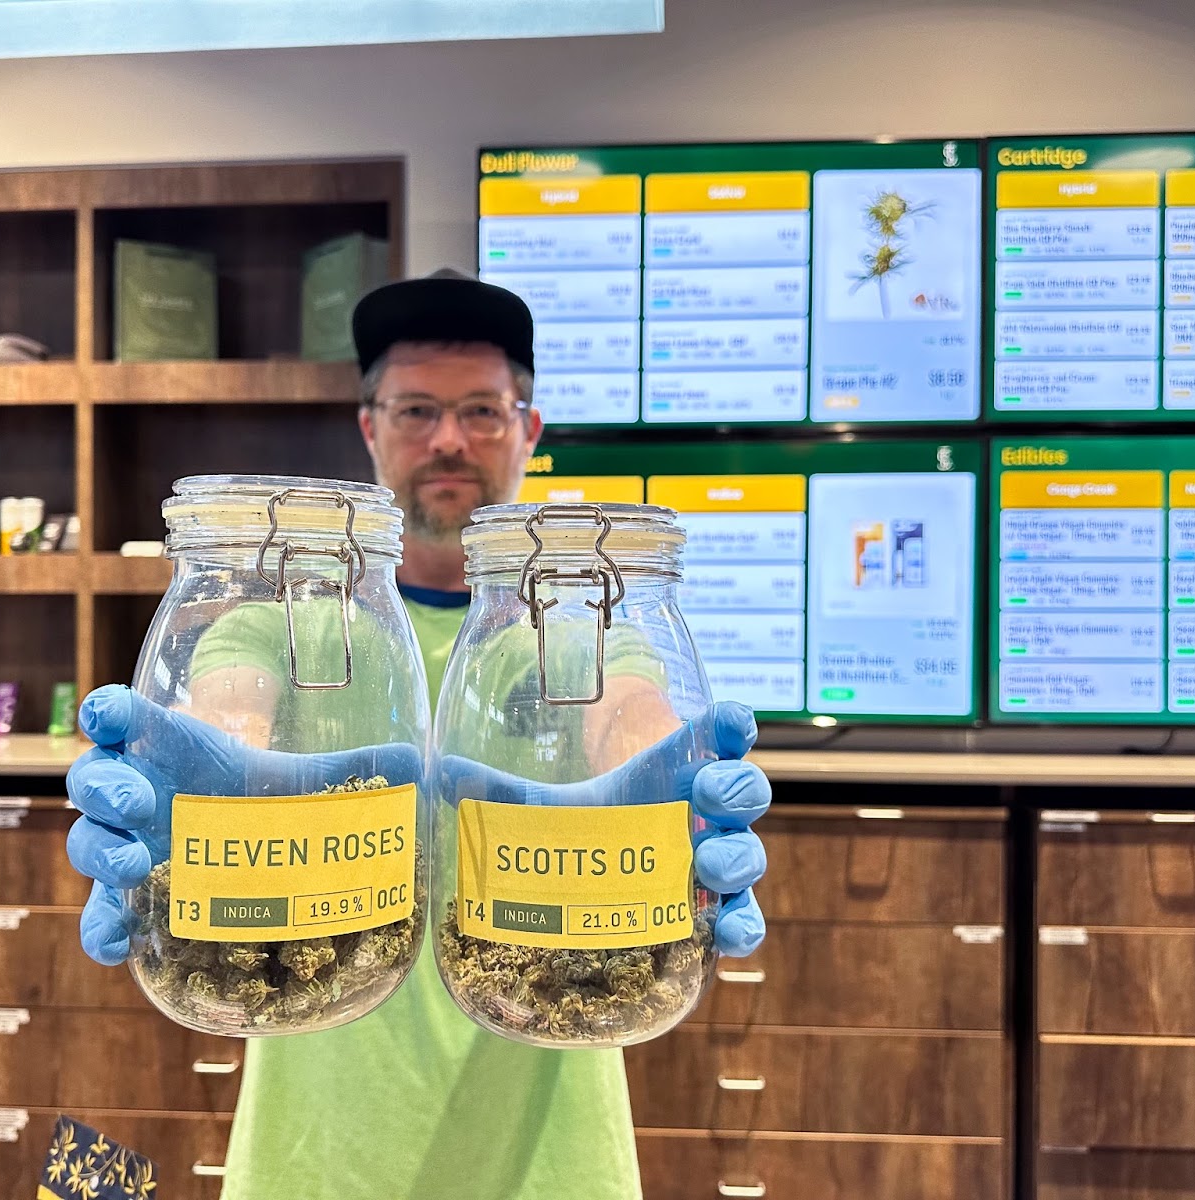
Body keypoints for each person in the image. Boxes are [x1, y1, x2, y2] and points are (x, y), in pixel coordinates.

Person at [65, 270, 773, 1200]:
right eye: (415, 410)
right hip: (315, 1160)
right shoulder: (286, 616)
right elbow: (223, 711)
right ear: (370, 427)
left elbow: (630, 716)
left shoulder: (581, 630)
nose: (448, 439)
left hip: (551, 1166)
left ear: (530, 428)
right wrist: (168, 798)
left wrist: (673, 784)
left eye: (482, 409)